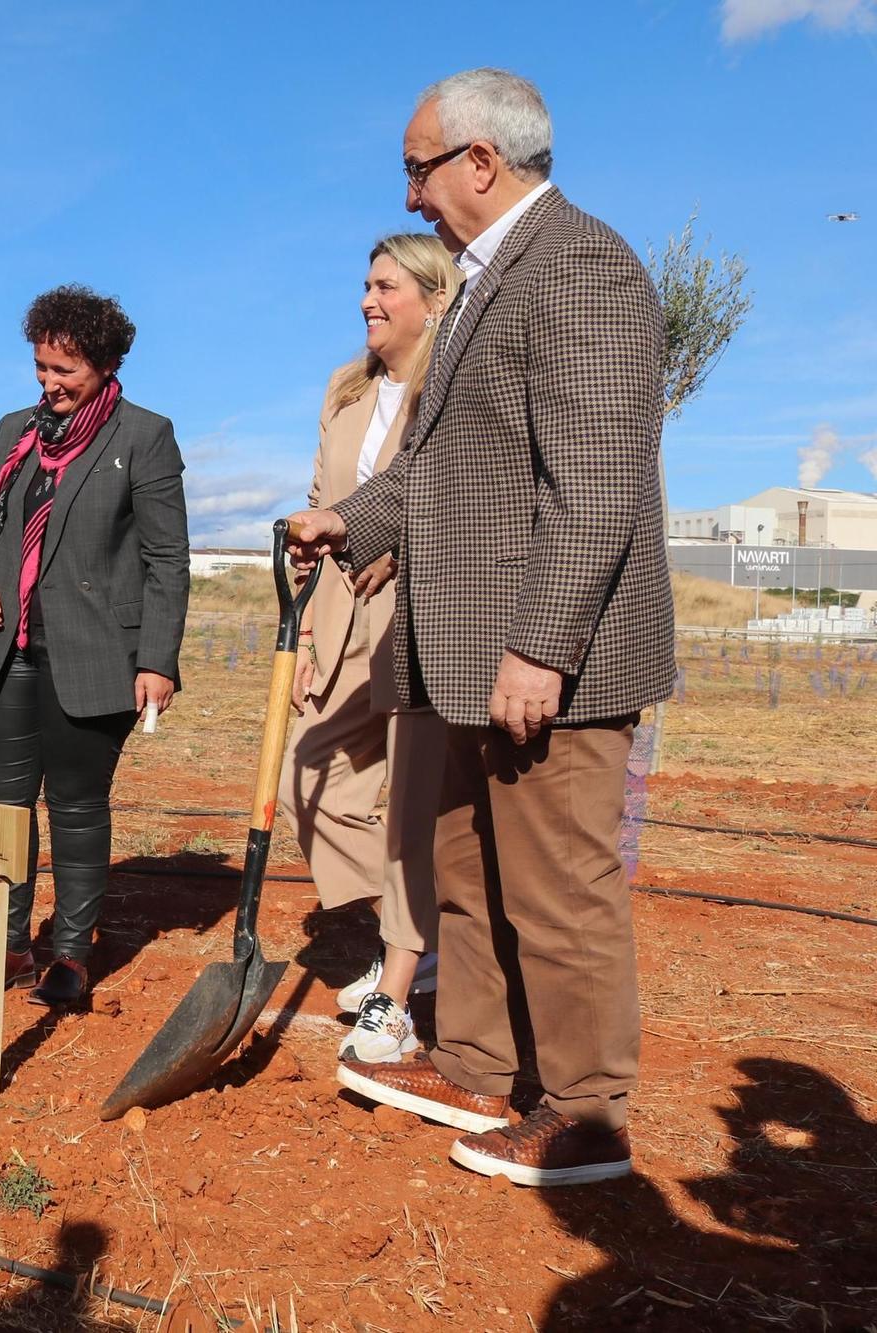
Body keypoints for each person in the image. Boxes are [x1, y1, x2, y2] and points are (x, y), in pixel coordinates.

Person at [287, 69, 673, 1187]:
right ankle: (475, 1063)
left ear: (477, 162)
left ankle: (587, 1112)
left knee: (556, 886)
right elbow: (436, 472)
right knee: (464, 869)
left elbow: (595, 484)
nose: (408, 197)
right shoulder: (482, 284)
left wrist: (540, 644)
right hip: (461, 656)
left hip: (544, 661)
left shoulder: (581, 268)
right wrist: (342, 519)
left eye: (415, 169)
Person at [0, 285, 189, 1009]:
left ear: (107, 362)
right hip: (10, 649)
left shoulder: (143, 436)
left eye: (66, 371)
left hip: (96, 654)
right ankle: (11, 943)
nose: (49, 384)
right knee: (1, 808)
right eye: (41, 367)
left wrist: (157, 659)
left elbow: (167, 559)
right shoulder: (14, 431)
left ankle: (71, 952)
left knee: (78, 805)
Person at [280, 233, 457, 1064]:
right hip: (344, 619)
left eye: (387, 285)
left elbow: (459, 501)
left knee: (413, 807)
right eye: (365, 284)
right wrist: (309, 631)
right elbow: (324, 500)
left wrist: (396, 543)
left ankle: (405, 968)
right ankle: (416, 940)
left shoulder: (452, 385)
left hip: (420, 620)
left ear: (431, 297)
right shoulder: (345, 390)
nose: (367, 300)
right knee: (304, 775)